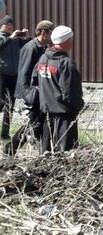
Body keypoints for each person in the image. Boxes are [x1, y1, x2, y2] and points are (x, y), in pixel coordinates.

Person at [4, 20, 55, 155]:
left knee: (35, 122)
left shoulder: (42, 47)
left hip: (38, 91)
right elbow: (24, 72)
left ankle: (12, 148)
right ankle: (15, 148)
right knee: (35, 123)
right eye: (51, 33)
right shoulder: (31, 48)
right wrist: (29, 93)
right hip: (30, 92)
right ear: (44, 32)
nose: (52, 37)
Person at [33, 25, 84, 154]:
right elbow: (70, 92)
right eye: (71, 39)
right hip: (64, 115)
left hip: (46, 114)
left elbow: (34, 82)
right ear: (66, 41)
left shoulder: (43, 59)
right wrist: (78, 106)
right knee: (66, 154)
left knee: (46, 154)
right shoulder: (66, 63)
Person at [0, 15, 30, 143]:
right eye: (8, 25)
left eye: (11, 25)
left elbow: (29, 45)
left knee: (9, 105)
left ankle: (4, 134)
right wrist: (10, 39)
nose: (10, 27)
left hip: (14, 76)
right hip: (1, 75)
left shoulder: (15, 39)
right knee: (1, 103)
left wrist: (26, 37)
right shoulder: (2, 38)